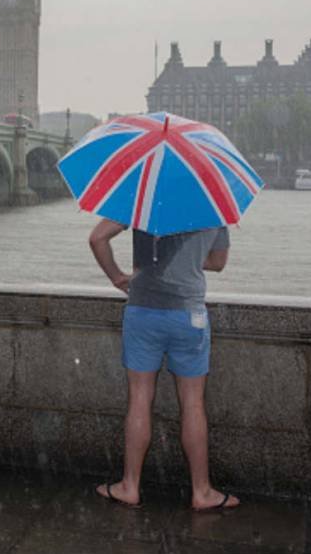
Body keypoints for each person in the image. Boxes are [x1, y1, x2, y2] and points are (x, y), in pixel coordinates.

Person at [88, 218, 240, 511]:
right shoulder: (211, 208)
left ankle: (129, 486)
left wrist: (119, 277)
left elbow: (97, 239)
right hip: (188, 315)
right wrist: (188, 259)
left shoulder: (141, 202)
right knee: (193, 403)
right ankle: (201, 491)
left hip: (143, 313)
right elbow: (218, 262)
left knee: (140, 399)